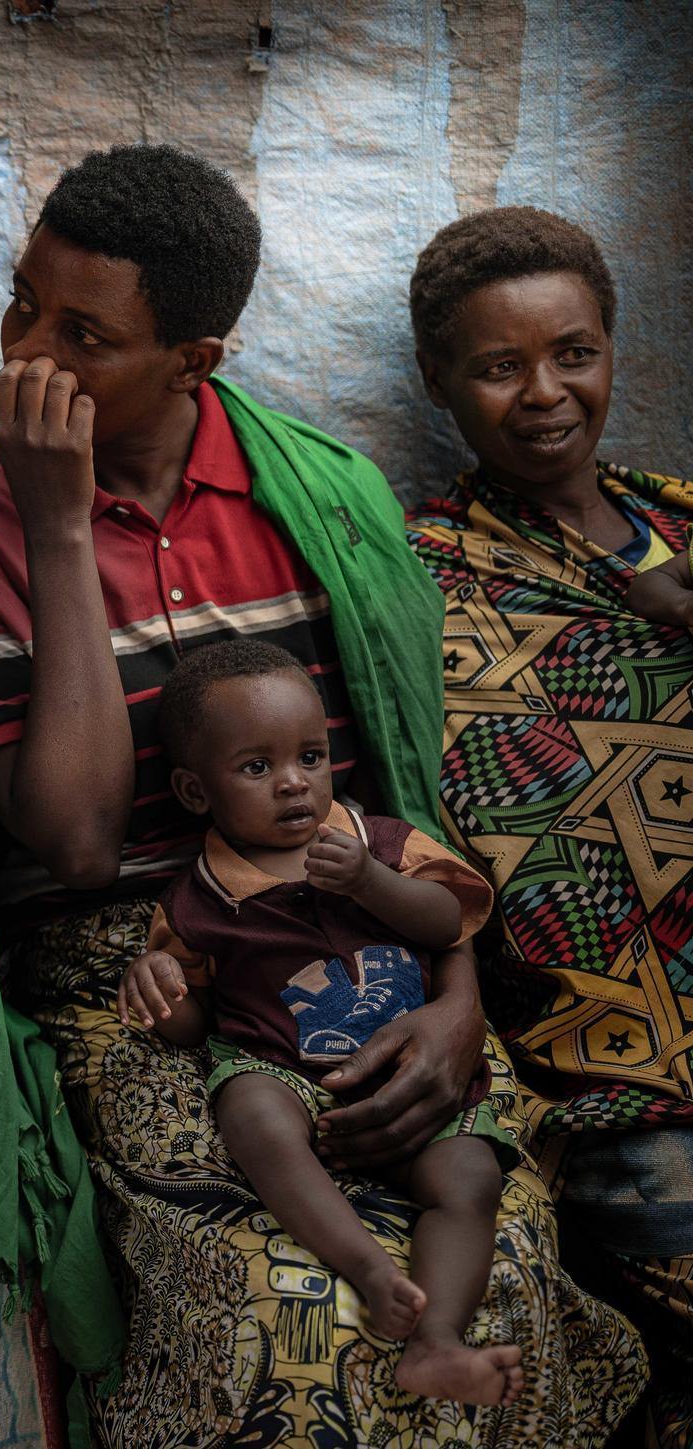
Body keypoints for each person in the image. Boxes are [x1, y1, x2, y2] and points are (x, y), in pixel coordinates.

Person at [0, 145, 645, 1442]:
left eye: (84, 335)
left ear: (196, 361)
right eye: (22, 306)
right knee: (270, 1318)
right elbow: (70, 843)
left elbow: (407, 812)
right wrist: (58, 528)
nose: (27, 356)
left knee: (498, 1285)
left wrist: (457, 1005)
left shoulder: (323, 503)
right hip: (132, 987)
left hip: (370, 942)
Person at [407, 204, 693, 1445]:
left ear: (616, 349)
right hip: (618, 1084)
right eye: (498, 365)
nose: (545, 394)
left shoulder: (686, 523)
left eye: (573, 352)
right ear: (440, 383)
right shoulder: (417, 581)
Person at [121, 641, 519, 1405]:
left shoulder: (384, 842)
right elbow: (192, 1024)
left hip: (410, 1058)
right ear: (194, 791)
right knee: (251, 1107)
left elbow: (449, 923)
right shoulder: (197, 898)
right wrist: (161, 987)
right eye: (257, 767)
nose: (295, 782)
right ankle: (367, 1266)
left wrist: (372, 881)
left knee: (467, 1181)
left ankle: (435, 1343)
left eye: (310, 754)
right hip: (280, 1065)